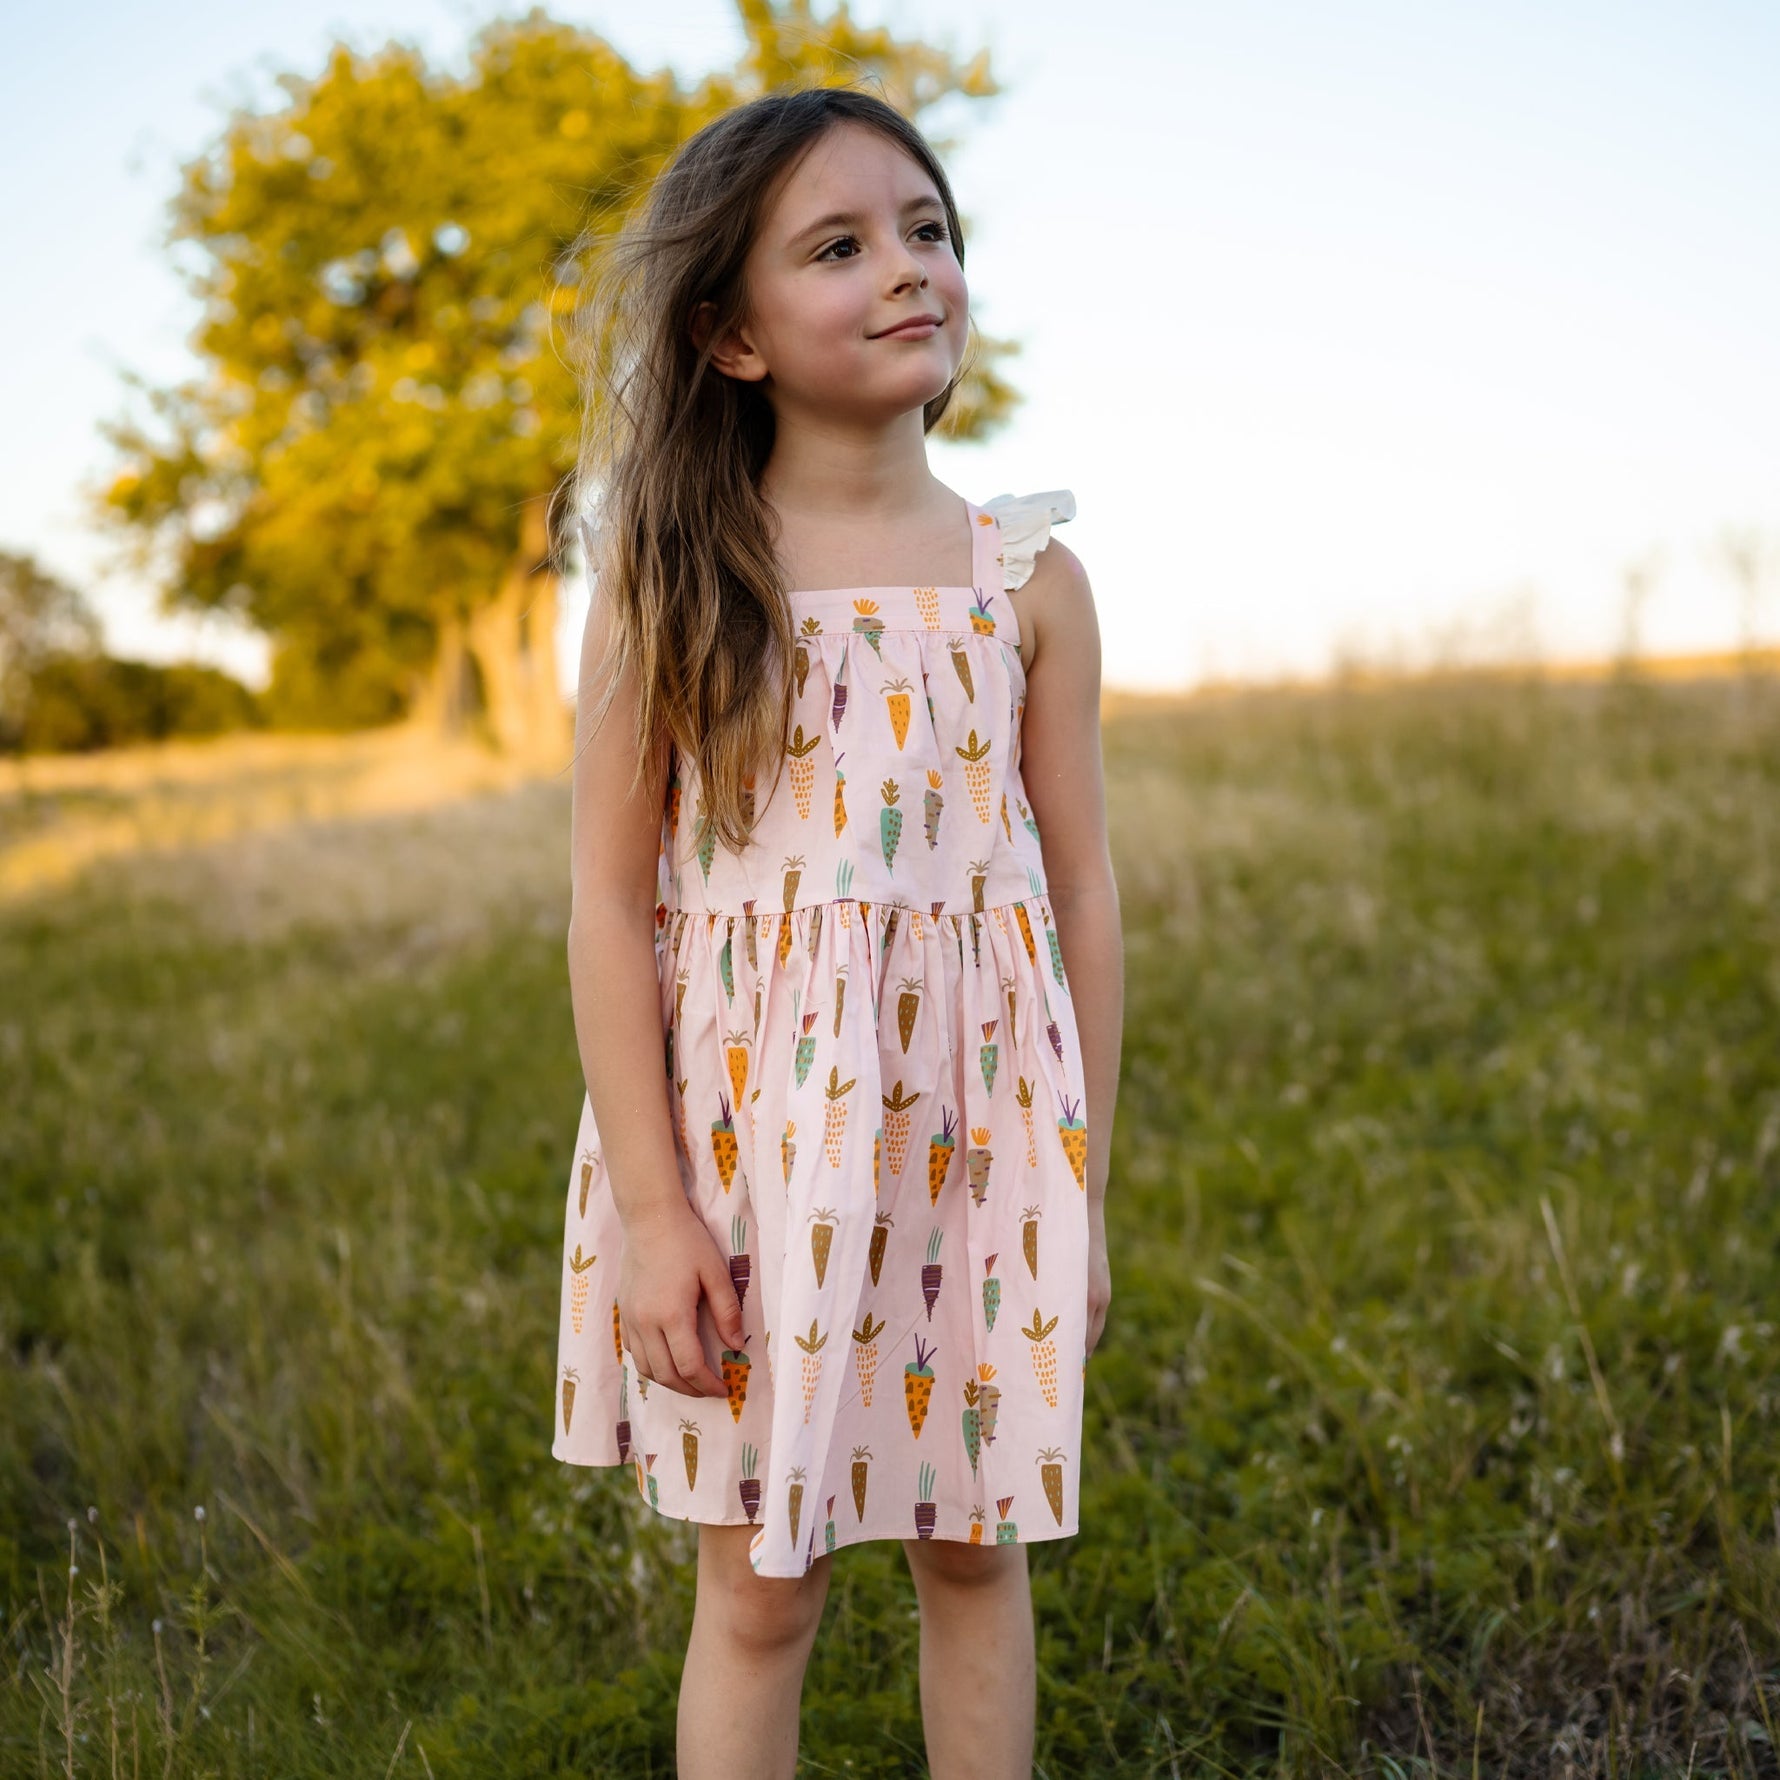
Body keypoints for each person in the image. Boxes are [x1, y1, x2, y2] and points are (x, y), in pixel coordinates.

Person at [550, 81, 1121, 1780]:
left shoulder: (1026, 580)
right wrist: (658, 1216)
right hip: (751, 1150)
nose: (909, 269)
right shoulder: (679, 577)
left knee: (975, 1543)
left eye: (929, 230)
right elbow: (604, 902)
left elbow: (1080, 889)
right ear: (732, 337)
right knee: (762, 1588)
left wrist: (1080, 1186)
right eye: (842, 245)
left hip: (979, 1134)